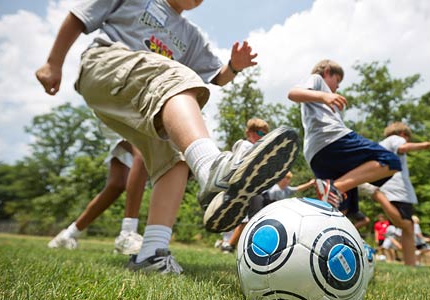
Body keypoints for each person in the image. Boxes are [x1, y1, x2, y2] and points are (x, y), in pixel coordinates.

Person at [36, 0, 299, 274]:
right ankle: (212, 167)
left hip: (144, 97)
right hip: (106, 65)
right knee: (176, 78)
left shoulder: (192, 36)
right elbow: (79, 17)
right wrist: (53, 62)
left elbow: (216, 76)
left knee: (177, 153)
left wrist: (233, 66)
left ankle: (152, 253)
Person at [287, 59, 401, 224]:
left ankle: (329, 240)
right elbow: (292, 93)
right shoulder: (317, 80)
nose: (338, 86)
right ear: (327, 72)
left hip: (318, 155)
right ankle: (336, 188)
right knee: (390, 161)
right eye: (337, 80)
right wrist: (324, 95)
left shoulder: (325, 99)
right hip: (331, 139)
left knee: (342, 212)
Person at [48, 125, 148, 255]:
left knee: (116, 184)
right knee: (144, 150)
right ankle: (128, 234)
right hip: (122, 115)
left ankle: (68, 234)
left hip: (137, 120)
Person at [359, 122, 430, 266]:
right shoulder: (396, 139)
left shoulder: (381, 144)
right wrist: (424, 145)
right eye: (407, 137)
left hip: (386, 183)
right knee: (406, 225)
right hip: (398, 187)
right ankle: (376, 194)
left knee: (408, 226)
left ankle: (410, 265)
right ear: (403, 134)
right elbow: (403, 148)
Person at [221, 171, 316, 253]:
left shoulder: (286, 190)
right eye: (285, 179)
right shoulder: (273, 188)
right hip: (257, 203)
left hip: (266, 209)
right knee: (247, 223)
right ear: (279, 179)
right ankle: (229, 245)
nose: (286, 181)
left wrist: (310, 183)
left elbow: (298, 188)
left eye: (288, 179)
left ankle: (242, 246)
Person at [219, 118, 270, 254]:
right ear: (250, 132)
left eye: (265, 134)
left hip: (250, 188)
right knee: (247, 219)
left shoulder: (249, 147)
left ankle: (234, 244)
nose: (263, 137)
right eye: (260, 133)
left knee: (248, 219)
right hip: (244, 188)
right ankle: (228, 245)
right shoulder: (246, 145)